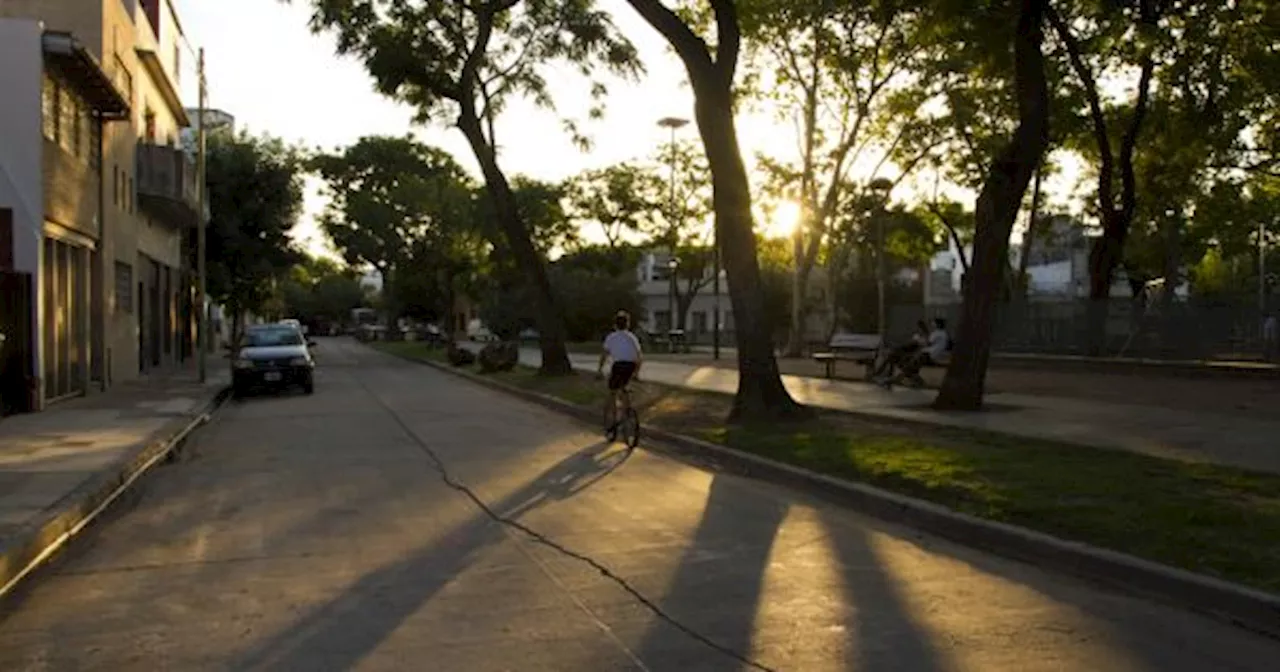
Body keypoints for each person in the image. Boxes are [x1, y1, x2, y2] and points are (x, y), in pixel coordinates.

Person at [597, 310, 643, 432]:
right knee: (624, 387)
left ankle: (614, 417)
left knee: (613, 391)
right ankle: (627, 412)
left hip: (619, 365)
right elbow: (639, 356)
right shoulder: (632, 337)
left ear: (615, 325)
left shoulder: (611, 337)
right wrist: (637, 373)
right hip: (631, 365)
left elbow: (604, 355)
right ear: (627, 324)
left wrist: (599, 370)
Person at [887, 318, 950, 387]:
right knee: (909, 361)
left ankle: (901, 377)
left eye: (933, 322)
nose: (932, 323)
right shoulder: (942, 333)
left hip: (929, 354)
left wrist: (917, 339)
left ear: (937, 324)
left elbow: (927, 343)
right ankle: (908, 377)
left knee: (910, 361)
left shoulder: (938, 333)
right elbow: (927, 341)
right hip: (930, 353)